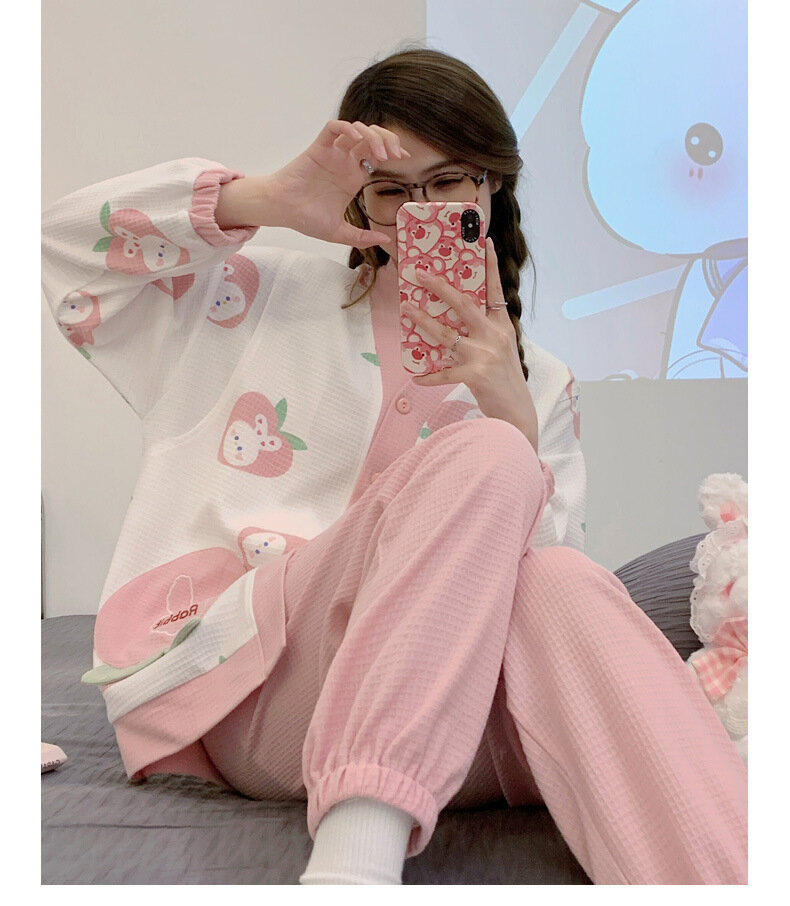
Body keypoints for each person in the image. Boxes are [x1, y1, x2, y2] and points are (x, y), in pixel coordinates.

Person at [41, 47, 746, 885]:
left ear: (490, 186)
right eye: (392, 189)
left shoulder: (542, 380)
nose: (423, 212)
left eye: (448, 182)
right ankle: (355, 856)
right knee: (489, 454)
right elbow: (64, 248)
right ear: (358, 195)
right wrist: (265, 199)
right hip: (262, 694)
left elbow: (531, 599)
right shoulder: (253, 299)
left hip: (466, 725)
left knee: (559, 572)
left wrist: (513, 413)